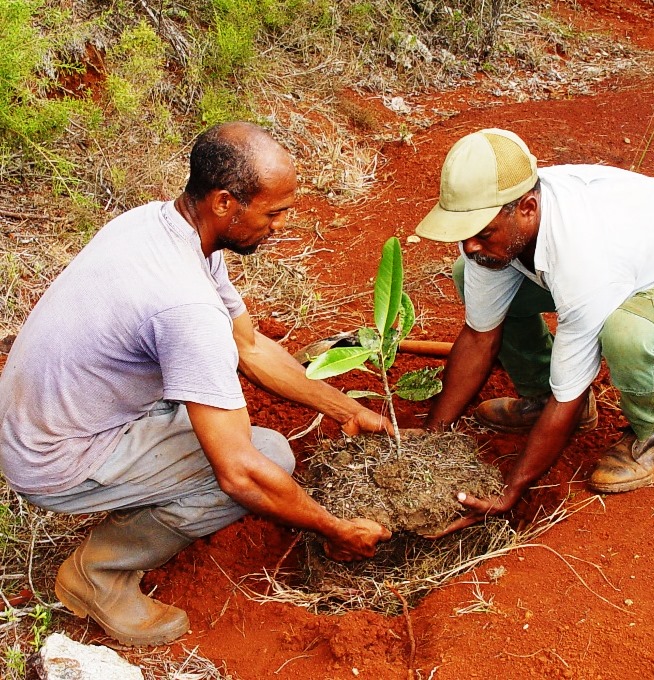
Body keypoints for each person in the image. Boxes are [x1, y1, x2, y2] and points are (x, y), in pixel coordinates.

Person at [0, 121, 394, 646]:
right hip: (54, 456)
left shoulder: (162, 227)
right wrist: (334, 529)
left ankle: (139, 496)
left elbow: (249, 348)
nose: (280, 226)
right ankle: (97, 576)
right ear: (226, 202)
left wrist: (345, 408)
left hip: (52, 416)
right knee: (268, 458)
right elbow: (240, 476)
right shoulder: (186, 306)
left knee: (239, 438)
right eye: (273, 213)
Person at [415, 128, 654, 535]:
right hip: (630, 262)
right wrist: (429, 441)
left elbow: (571, 393)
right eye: (464, 232)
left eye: (483, 233)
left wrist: (511, 490)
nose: (470, 245)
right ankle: (536, 393)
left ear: (527, 207)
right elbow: (479, 335)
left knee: (629, 330)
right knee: (472, 271)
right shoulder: (493, 222)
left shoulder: (584, 258)